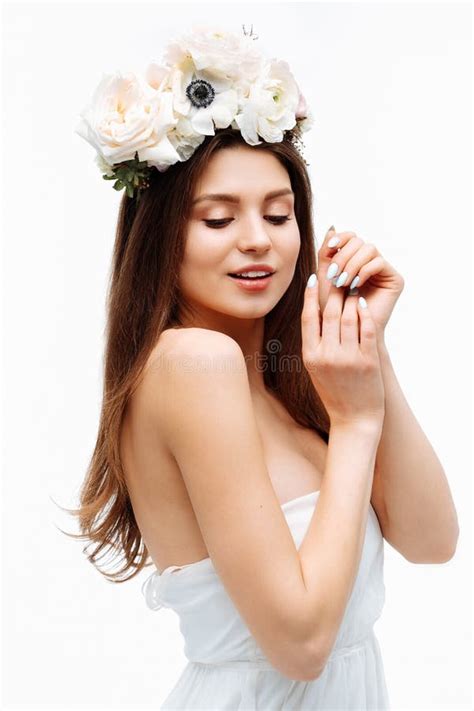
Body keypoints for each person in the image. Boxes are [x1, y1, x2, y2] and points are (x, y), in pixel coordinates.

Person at [67, 23, 458, 710]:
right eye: (217, 220)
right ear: (162, 237)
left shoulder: (281, 377)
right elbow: (302, 646)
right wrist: (357, 420)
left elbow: (433, 540)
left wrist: (366, 348)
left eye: (278, 214)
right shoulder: (195, 364)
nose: (258, 241)